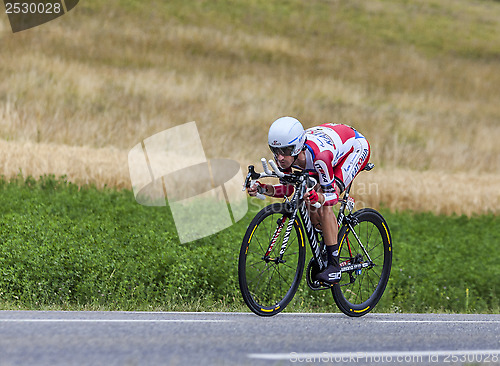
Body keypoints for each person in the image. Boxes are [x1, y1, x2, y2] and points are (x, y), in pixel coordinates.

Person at [247, 116, 371, 284]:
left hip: (354, 148)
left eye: (285, 151)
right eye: (275, 150)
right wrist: (262, 188)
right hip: (330, 139)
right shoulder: (286, 155)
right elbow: (289, 189)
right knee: (308, 199)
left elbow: (332, 198)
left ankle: (334, 266)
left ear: (297, 147)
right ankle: (327, 241)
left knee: (323, 200)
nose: (280, 157)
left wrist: (319, 196)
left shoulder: (320, 157)